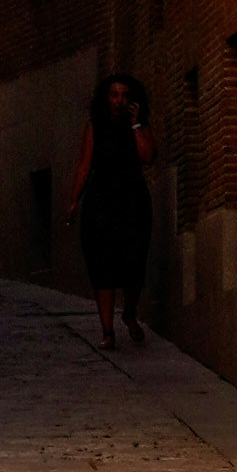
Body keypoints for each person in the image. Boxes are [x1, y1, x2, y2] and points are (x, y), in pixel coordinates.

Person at [73, 70, 153, 349]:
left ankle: (129, 313)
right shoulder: (95, 126)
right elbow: (85, 165)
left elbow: (148, 157)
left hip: (132, 203)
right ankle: (107, 331)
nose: (119, 100)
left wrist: (135, 125)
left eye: (125, 95)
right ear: (106, 98)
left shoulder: (138, 126)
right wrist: (74, 201)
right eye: (114, 94)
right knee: (102, 265)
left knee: (133, 264)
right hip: (100, 204)